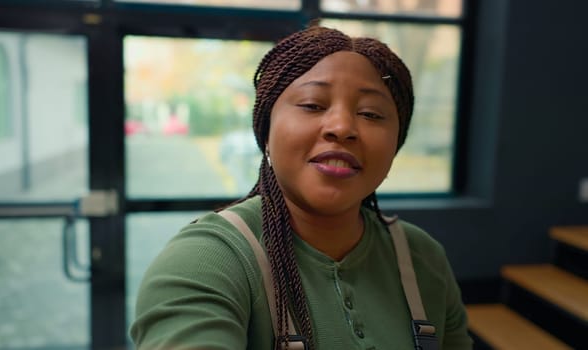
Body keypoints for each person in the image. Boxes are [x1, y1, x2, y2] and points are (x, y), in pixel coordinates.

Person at [130, 25, 472, 350]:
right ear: (266, 130)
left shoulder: (421, 257)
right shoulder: (208, 261)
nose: (342, 127)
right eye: (312, 105)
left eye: (370, 114)